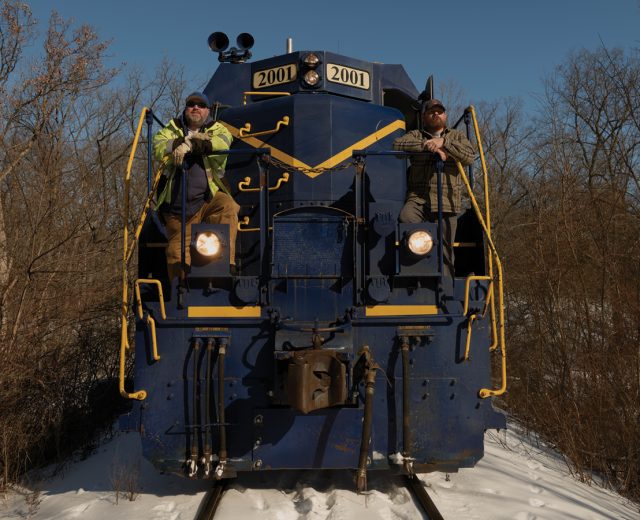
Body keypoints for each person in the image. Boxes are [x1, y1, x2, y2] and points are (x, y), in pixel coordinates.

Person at [153, 91, 239, 280]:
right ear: (185, 109)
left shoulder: (217, 128)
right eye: (191, 104)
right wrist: (181, 141)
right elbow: (158, 145)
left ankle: (227, 261)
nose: (195, 108)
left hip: (208, 198)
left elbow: (222, 143)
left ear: (207, 111)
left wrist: (192, 146)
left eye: (200, 105)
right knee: (176, 255)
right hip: (179, 206)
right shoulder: (172, 128)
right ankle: (181, 292)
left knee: (228, 205)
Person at [393, 99, 476, 277]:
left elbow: (469, 156)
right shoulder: (416, 135)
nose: (435, 114)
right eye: (431, 112)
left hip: (447, 203)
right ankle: (417, 274)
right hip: (418, 199)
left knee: (445, 249)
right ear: (424, 117)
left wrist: (443, 143)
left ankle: (445, 286)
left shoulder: (456, 136)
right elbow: (397, 145)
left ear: (445, 115)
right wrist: (426, 146)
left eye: (439, 111)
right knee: (405, 218)